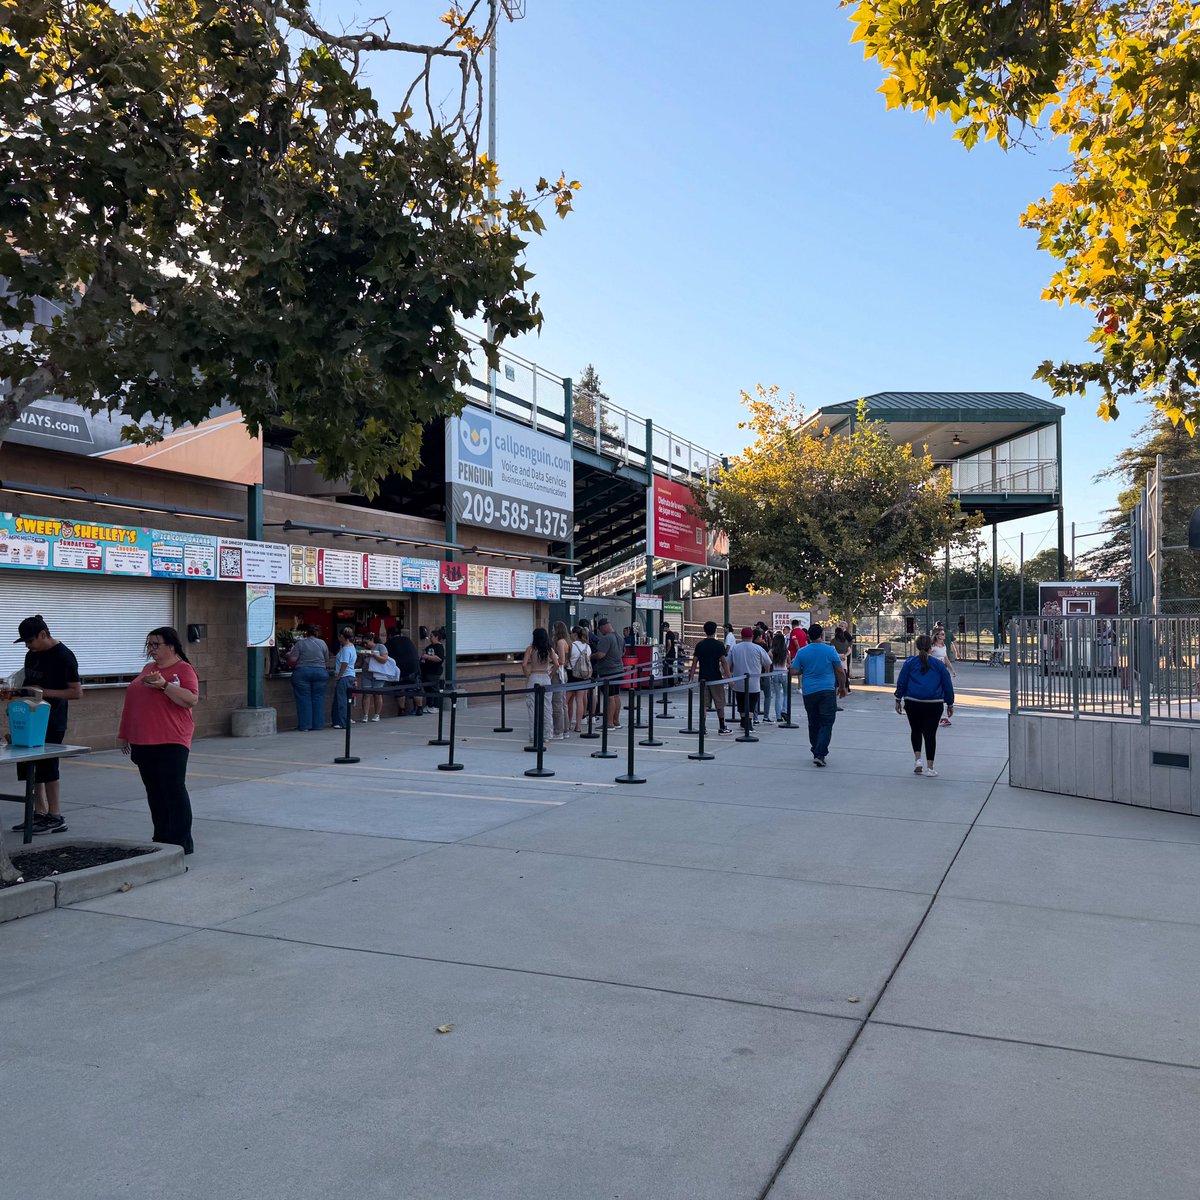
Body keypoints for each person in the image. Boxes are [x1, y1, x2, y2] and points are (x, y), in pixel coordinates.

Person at [118, 627, 198, 853]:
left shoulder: (183, 669)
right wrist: (124, 733)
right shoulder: (147, 669)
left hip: (172, 739)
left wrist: (164, 685)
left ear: (171, 646)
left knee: (173, 790)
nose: (151, 649)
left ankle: (180, 842)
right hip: (143, 739)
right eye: (149, 645)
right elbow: (132, 703)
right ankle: (161, 837)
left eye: (156, 645)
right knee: (154, 792)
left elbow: (191, 699)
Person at [9, 615, 82, 836]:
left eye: (30, 641)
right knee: (29, 766)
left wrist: (43, 692)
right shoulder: (31, 655)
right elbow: (28, 683)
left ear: (43, 634)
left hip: (51, 719)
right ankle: (39, 812)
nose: (28, 646)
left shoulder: (64, 656)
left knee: (48, 767)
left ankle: (55, 815)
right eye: (25, 642)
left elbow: (76, 692)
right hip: (28, 717)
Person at [894, 634, 956, 777]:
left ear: (917, 647)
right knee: (930, 734)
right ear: (931, 647)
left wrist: (898, 698)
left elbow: (902, 681)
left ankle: (918, 761)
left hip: (912, 701)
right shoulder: (938, 665)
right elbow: (947, 684)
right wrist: (950, 703)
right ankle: (930, 768)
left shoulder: (910, 663)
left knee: (915, 730)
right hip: (933, 703)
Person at [792, 622, 847, 767]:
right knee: (827, 722)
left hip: (809, 691)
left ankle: (816, 749)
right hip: (827, 690)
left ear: (808, 636)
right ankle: (820, 753)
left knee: (813, 722)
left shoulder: (802, 652)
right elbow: (840, 671)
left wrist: (805, 669)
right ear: (822, 635)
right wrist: (842, 687)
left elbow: (794, 670)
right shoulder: (830, 650)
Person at [688, 619, 732, 736]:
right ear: (715, 631)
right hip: (716, 678)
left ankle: (702, 727)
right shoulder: (719, 645)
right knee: (719, 703)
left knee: (704, 704)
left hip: (703, 678)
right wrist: (729, 677)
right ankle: (722, 726)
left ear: (704, 631)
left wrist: (691, 679)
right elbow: (724, 662)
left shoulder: (700, 645)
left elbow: (694, 663)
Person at [728, 626, 772, 732]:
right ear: (752, 636)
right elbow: (768, 662)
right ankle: (748, 722)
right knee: (752, 702)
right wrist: (765, 672)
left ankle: (743, 720)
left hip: (738, 681)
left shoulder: (735, 648)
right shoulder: (758, 648)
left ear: (741, 636)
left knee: (741, 701)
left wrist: (729, 677)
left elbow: (727, 664)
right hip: (754, 682)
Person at [287, 624, 330, 732]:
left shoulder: (300, 643)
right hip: (320, 672)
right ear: (317, 633)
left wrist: (288, 655)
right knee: (318, 698)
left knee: (303, 699)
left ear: (306, 633)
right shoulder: (322, 643)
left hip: (303, 672)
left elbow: (293, 659)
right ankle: (318, 725)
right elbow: (326, 659)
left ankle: (305, 725)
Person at [522, 627, 560, 745]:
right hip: (545, 677)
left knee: (532, 707)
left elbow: (524, 664)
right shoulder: (549, 649)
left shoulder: (531, 649)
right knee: (547, 707)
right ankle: (547, 735)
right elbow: (557, 664)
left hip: (534, 676)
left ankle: (533, 735)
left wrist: (527, 675)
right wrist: (550, 674)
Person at [590, 616, 627, 728]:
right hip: (619, 669)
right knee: (616, 696)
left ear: (604, 627)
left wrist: (590, 656)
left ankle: (609, 723)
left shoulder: (606, 638)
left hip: (608, 671)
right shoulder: (620, 637)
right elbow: (623, 653)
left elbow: (601, 654)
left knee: (609, 697)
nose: (600, 632)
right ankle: (616, 721)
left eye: (600, 629)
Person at [386, 626, 421, 714]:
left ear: (389, 635)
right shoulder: (407, 640)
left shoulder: (389, 643)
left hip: (400, 669)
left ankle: (402, 709)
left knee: (400, 689)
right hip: (413, 667)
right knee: (416, 688)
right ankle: (419, 708)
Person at [567, 625, 592, 732]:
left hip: (571, 674)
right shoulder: (587, 647)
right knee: (579, 700)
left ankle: (567, 723)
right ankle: (578, 726)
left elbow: (567, 659)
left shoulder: (572, 646)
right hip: (583, 675)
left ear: (575, 634)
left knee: (567, 701)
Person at [331, 627, 357, 729]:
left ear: (342, 636)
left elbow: (344, 664)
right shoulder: (352, 647)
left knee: (341, 701)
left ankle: (342, 722)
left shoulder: (345, 649)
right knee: (343, 700)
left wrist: (339, 675)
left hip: (344, 677)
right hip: (350, 676)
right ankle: (340, 721)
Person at [930, 626, 956, 725]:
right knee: (935, 692)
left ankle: (943, 716)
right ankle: (937, 715)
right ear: (937, 635)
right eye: (942, 634)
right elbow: (927, 657)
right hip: (934, 671)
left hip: (943, 670)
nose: (944, 635)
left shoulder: (944, 646)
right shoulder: (932, 647)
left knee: (944, 690)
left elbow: (946, 659)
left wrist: (952, 670)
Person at [551, 620, 572, 739]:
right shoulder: (567, 642)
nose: (552, 631)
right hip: (564, 673)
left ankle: (558, 730)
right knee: (563, 703)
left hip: (558, 673)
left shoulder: (559, 642)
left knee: (557, 702)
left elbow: (562, 661)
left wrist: (553, 663)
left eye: (554, 629)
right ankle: (565, 729)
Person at [762, 631, 789, 723]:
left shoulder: (771, 651)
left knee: (777, 695)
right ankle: (784, 710)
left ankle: (778, 716)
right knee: (786, 694)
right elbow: (789, 663)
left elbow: (768, 662)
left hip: (775, 673)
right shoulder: (786, 651)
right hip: (784, 673)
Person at [420, 627, 446, 712]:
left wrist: (428, 657)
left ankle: (436, 706)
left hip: (434, 671)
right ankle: (429, 705)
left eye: (431, 636)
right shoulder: (429, 647)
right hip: (426, 671)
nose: (430, 638)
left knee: (434, 688)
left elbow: (439, 658)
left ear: (436, 637)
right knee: (428, 689)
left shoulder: (439, 647)